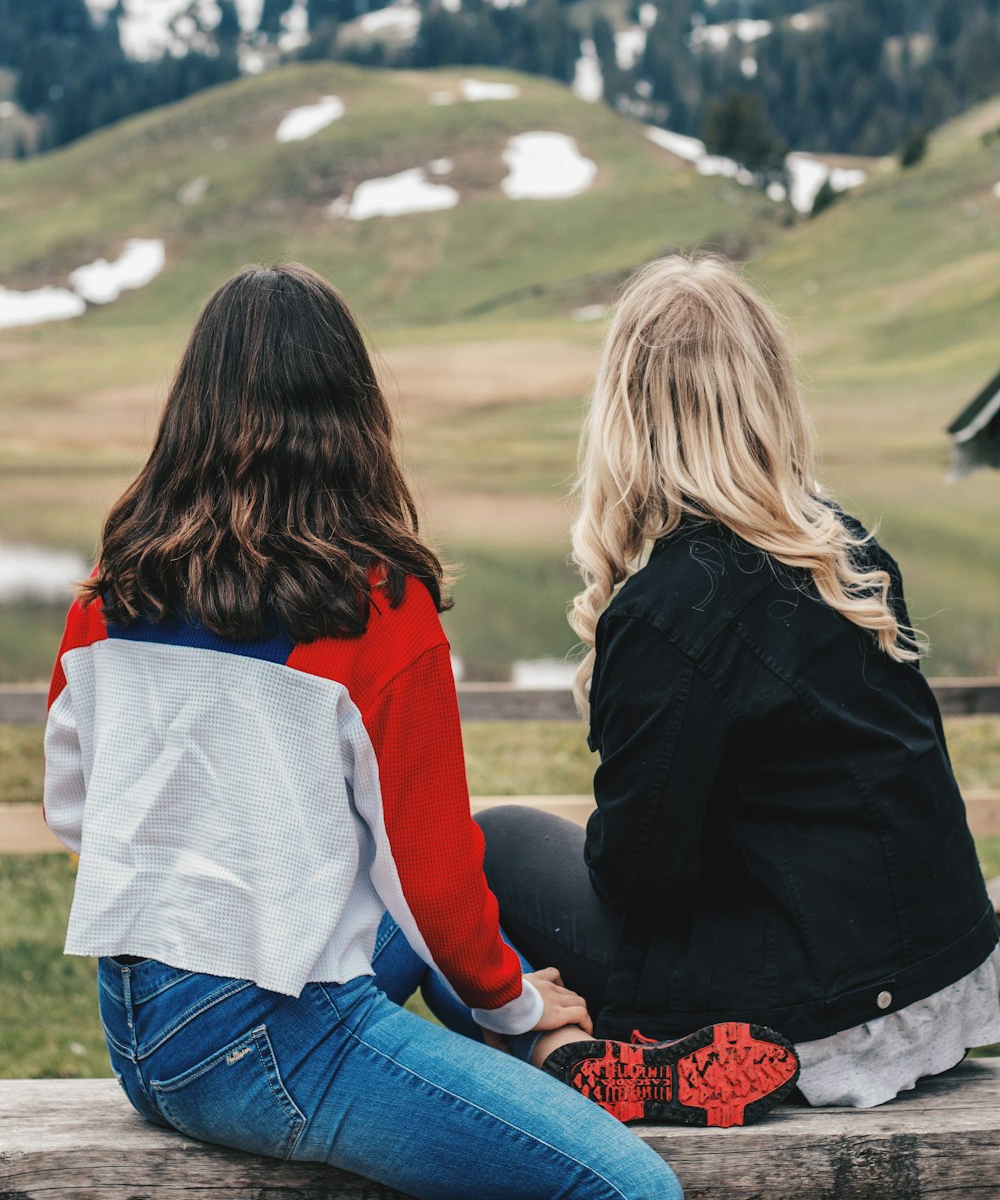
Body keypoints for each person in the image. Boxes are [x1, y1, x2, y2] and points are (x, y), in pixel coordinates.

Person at [42, 263, 682, 1200]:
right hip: (272, 1045)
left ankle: (546, 1060)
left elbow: (74, 809)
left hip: (139, 1029)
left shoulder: (117, 584)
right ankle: (553, 1048)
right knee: (632, 1190)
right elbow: (425, 884)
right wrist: (522, 1002)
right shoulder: (377, 602)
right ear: (354, 413)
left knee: (487, 858)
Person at [476, 254, 1000, 1116]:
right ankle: (601, 1052)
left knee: (490, 848)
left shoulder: (668, 610)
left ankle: (568, 1050)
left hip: (816, 1012)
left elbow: (640, 880)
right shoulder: (846, 553)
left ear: (627, 413)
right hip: (945, 981)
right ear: (768, 393)